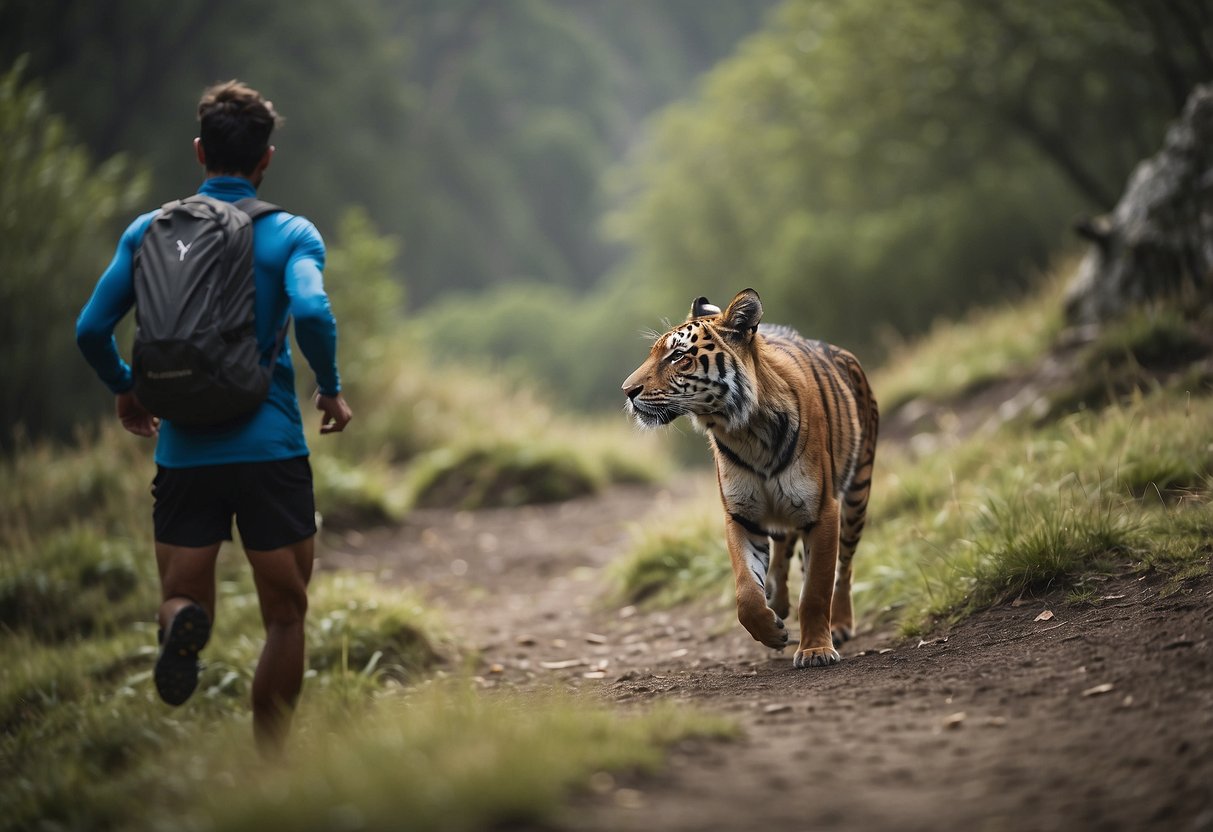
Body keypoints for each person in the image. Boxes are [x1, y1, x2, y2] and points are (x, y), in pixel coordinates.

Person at [76, 80, 352, 754]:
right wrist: (331, 387)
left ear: (200, 151)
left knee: (181, 595)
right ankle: (270, 767)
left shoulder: (149, 231)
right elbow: (312, 312)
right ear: (267, 159)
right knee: (285, 616)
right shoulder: (290, 232)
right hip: (270, 449)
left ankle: (181, 627)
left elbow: (90, 328)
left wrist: (129, 386)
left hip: (184, 453)